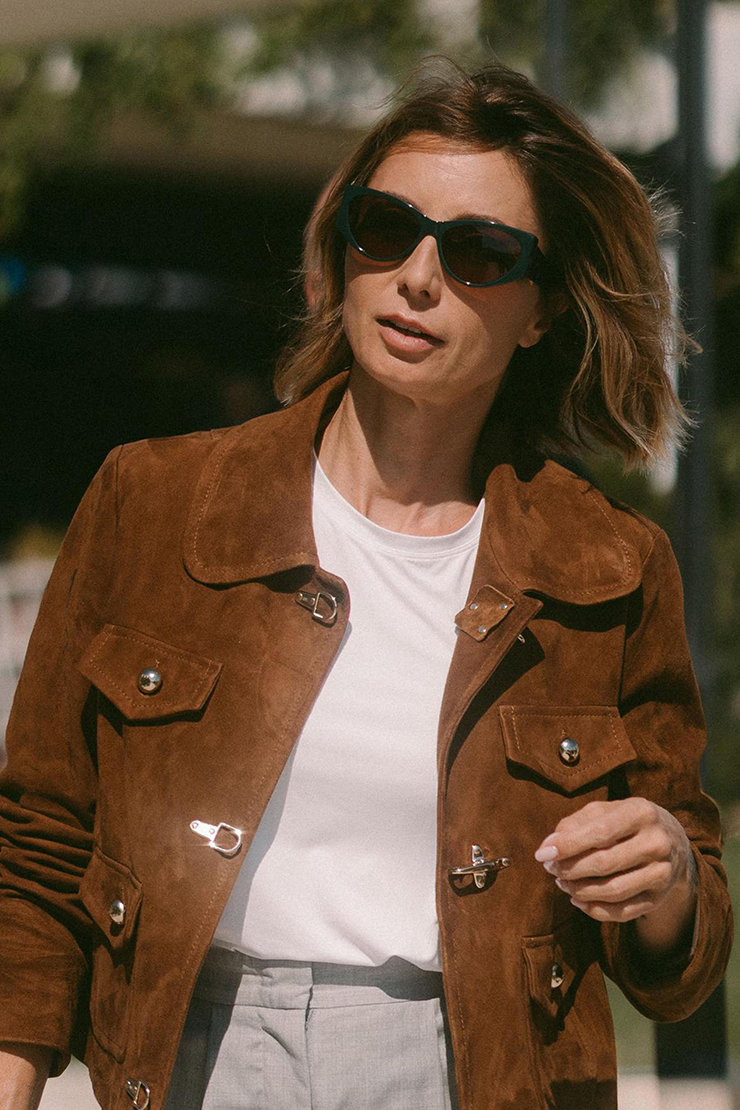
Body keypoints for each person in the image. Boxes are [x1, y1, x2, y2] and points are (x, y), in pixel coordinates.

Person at [0, 60, 732, 1110]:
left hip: (472, 1073)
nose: (418, 277)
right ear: (340, 252)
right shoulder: (154, 502)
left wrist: (664, 877)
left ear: (538, 311)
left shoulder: (605, 568)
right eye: (385, 229)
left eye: (480, 253)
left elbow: (680, 959)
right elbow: (36, 844)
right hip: (192, 1063)